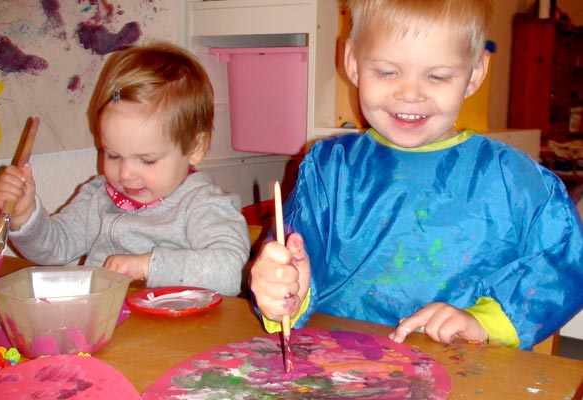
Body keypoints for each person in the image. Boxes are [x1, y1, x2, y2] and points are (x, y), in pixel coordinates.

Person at [249, 0, 583, 350]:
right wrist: (282, 291)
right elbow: (291, 267)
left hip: (460, 369)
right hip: (336, 364)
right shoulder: (328, 170)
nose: (409, 94)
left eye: (437, 76)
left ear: (475, 73)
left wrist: (481, 321)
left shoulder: (514, 180)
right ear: (352, 63)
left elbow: (566, 265)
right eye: (387, 72)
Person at [0, 42, 251, 296]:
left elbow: (231, 271)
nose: (125, 174)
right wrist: (25, 214)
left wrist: (146, 265)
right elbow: (53, 250)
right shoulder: (98, 196)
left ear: (195, 148)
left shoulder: (203, 204)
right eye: (112, 155)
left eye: (147, 160)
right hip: (108, 329)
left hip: (183, 336)